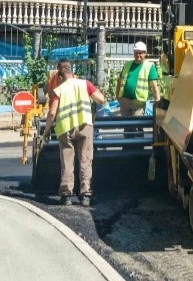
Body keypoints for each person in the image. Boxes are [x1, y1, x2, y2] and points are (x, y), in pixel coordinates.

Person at [43, 61, 107, 206]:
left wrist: (46, 132)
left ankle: (66, 195)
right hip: (85, 126)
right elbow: (101, 99)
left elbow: (52, 113)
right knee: (85, 160)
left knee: (67, 162)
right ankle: (85, 195)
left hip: (65, 129)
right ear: (72, 72)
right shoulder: (85, 84)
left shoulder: (58, 90)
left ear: (60, 76)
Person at [115, 41, 160, 138]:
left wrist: (157, 99)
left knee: (137, 124)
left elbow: (154, 85)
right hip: (125, 100)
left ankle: (138, 147)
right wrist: (117, 95)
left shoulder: (149, 66)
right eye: (136, 53)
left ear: (145, 53)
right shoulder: (127, 64)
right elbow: (120, 80)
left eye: (140, 53)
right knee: (126, 125)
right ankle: (127, 147)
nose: (138, 55)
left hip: (138, 101)